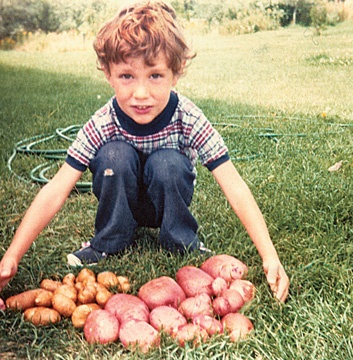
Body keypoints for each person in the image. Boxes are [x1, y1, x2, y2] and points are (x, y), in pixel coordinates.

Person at [0, 0, 289, 306]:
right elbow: (57, 188)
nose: (140, 93)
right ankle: (109, 242)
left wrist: (269, 255)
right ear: (108, 75)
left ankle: (181, 242)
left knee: (168, 163)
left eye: (155, 76)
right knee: (114, 156)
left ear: (174, 74)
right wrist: (12, 256)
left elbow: (234, 185)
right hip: (120, 199)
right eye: (126, 76)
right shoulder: (102, 122)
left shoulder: (187, 117)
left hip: (165, 200)